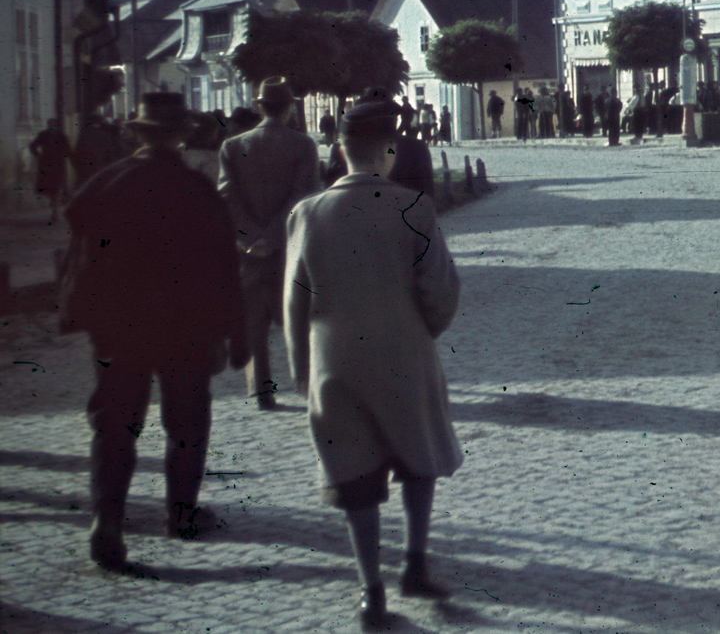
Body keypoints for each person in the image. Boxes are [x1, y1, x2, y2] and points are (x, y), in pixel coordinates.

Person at [285, 96, 462, 628]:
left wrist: (304, 370)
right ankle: (415, 562)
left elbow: (294, 302)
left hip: (334, 362)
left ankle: (371, 590)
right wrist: (418, 331)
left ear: (339, 150)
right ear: (388, 149)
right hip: (404, 353)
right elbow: (442, 290)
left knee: (352, 473)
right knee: (418, 459)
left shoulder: (308, 214)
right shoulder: (413, 207)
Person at [58, 92, 246, 569]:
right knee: (186, 423)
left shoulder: (105, 185)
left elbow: (81, 259)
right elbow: (223, 269)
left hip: (118, 328)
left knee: (115, 425)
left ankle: (108, 522)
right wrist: (230, 334)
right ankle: (180, 513)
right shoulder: (197, 191)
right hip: (185, 327)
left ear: (135, 134)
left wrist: (82, 316)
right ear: (182, 135)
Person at [216, 77, 323, 410]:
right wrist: (275, 234)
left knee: (254, 321)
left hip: (248, 252)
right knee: (300, 316)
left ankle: (261, 389)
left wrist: (250, 236)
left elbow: (227, 196)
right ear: (290, 108)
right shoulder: (303, 145)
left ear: (258, 107)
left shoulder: (232, 147)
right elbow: (304, 196)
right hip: (290, 245)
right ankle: (308, 385)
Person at [28, 118, 71, 222]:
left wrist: (70, 158)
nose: (52, 126)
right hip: (47, 165)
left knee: (56, 188)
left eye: (53, 124)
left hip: (58, 165)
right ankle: (55, 211)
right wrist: (38, 155)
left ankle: (55, 212)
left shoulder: (61, 136)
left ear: (56, 125)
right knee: (51, 189)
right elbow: (33, 145)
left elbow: (68, 149)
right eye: (50, 124)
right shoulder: (43, 135)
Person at [71, 111, 126, 191]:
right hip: (100, 164)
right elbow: (110, 151)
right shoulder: (105, 134)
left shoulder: (84, 134)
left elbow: (77, 151)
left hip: (85, 165)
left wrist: (77, 165)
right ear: (100, 122)